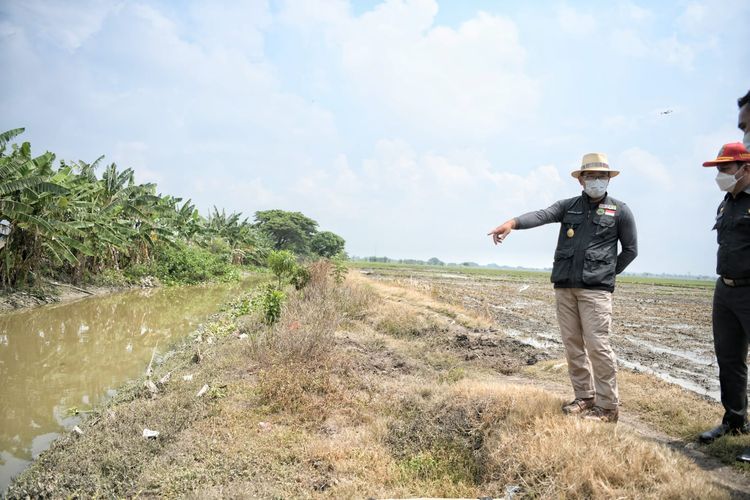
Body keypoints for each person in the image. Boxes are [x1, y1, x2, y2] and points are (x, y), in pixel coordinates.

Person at [488, 153, 637, 423]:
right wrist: (512, 223)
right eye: (590, 176)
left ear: (609, 179)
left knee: (598, 345)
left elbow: (630, 250)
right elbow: (541, 215)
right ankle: (584, 397)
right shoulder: (569, 207)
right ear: (580, 180)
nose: (596, 180)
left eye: (601, 176)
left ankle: (607, 407)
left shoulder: (620, 210)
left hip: (596, 291)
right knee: (572, 345)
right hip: (565, 287)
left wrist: (607, 272)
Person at [698, 141, 750, 461]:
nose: (719, 174)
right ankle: (734, 421)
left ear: (745, 168)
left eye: (725, 169)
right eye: (717, 169)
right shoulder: (725, 204)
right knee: (729, 359)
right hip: (725, 290)